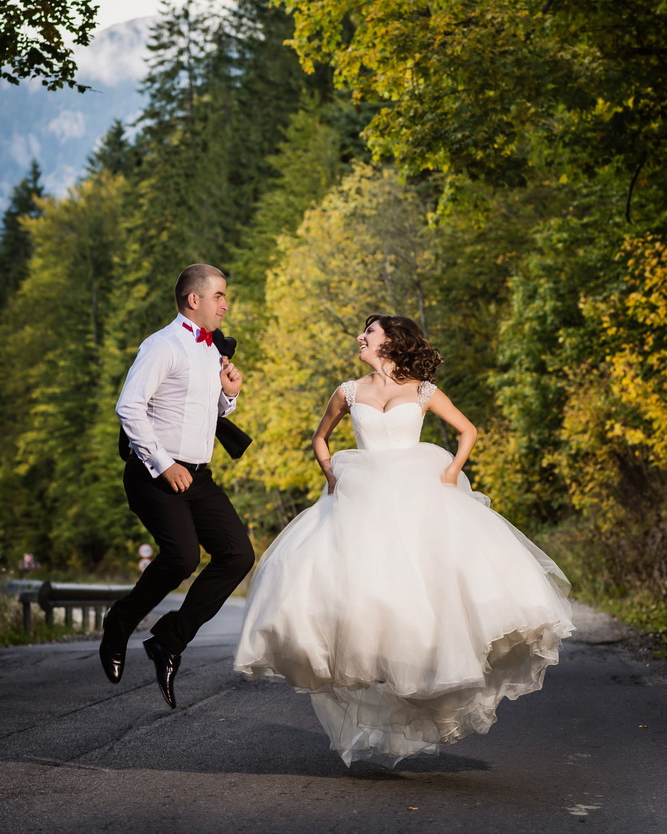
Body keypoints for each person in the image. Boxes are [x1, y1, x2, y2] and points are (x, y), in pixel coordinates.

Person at [234, 314, 574, 766]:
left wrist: (452, 470)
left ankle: (426, 667)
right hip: (361, 496)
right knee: (358, 588)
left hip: (419, 491)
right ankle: (372, 665)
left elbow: (467, 431)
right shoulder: (348, 391)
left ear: (390, 340)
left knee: (425, 587)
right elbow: (320, 438)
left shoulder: (423, 390)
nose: (360, 337)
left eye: (369, 332)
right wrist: (331, 472)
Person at [100, 264, 255, 708]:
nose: (226, 304)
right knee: (182, 557)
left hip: (197, 474)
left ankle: (169, 641)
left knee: (238, 554)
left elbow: (205, 416)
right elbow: (128, 407)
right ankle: (120, 624)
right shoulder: (162, 345)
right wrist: (164, 464)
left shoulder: (210, 352)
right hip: (153, 471)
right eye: (220, 296)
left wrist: (229, 395)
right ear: (194, 299)